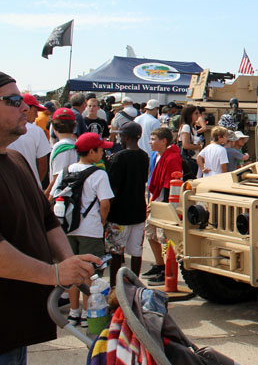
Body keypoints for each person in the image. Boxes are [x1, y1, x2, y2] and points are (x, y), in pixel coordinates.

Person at [0, 72, 99, 365]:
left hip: (16, 333)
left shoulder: (16, 161)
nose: (25, 109)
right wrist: (55, 275)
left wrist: (69, 261)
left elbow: (47, 222)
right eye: (13, 101)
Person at [51, 132, 115, 326]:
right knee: (90, 273)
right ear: (92, 152)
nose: (103, 153)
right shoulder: (99, 174)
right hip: (91, 230)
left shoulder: (66, 171)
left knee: (71, 272)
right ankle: (88, 313)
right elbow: (105, 203)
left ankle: (74, 312)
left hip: (67, 229)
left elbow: (53, 196)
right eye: (100, 149)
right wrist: (101, 222)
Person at [105, 122, 149, 283]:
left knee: (116, 252)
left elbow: (113, 189)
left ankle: (115, 287)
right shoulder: (144, 156)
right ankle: (134, 285)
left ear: (125, 137)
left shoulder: (119, 157)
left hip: (119, 214)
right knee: (136, 251)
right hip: (138, 211)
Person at [144, 127, 183, 284]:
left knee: (164, 239)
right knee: (150, 233)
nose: (150, 142)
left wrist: (165, 207)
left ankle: (167, 268)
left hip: (165, 204)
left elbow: (172, 185)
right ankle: (159, 264)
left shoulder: (172, 158)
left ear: (163, 141)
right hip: (156, 201)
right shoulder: (156, 156)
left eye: (153, 139)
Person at [7, 93, 51, 186]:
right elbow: (43, 166)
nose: (37, 115)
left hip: (8, 186)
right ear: (25, 108)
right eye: (35, 111)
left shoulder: (4, 128)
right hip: (30, 186)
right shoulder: (37, 131)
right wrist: (34, 184)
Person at [45, 108, 79, 198]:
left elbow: (58, 177)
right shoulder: (76, 144)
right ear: (74, 126)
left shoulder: (61, 147)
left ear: (53, 127)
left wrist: (47, 197)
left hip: (62, 197)